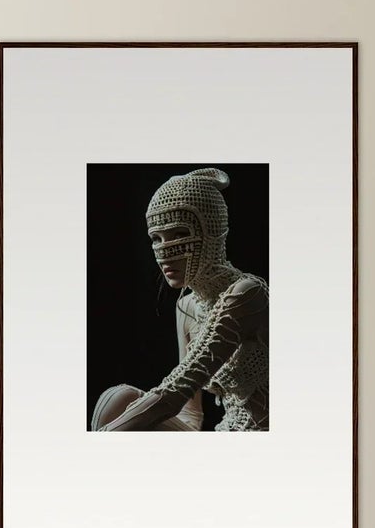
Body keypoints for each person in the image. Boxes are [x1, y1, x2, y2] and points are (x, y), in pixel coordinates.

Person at [90, 167, 269, 432]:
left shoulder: (247, 293)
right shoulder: (186, 306)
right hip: (222, 433)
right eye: (156, 238)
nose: (164, 252)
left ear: (211, 232)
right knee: (119, 398)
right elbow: (189, 411)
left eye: (179, 234)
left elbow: (177, 389)